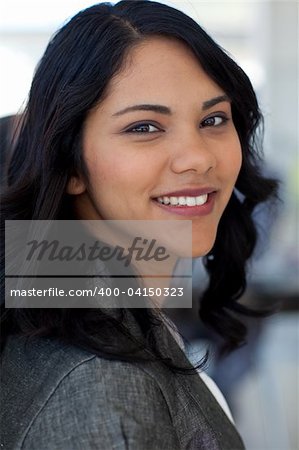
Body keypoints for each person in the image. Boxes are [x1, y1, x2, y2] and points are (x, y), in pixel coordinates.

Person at [0, 1, 278, 449]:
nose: (199, 157)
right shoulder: (100, 386)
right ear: (68, 164)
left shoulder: (69, 307)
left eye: (213, 120)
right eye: (145, 127)